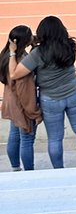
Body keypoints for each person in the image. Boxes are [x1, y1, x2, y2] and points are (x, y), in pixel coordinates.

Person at [10, 16, 76, 168]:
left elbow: (15, 74)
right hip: (75, 91)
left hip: (51, 99)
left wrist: (12, 53)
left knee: (55, 138)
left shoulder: (38, 53)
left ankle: (58, 169)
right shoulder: (69, 44)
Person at [1, 25, 41, 171]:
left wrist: (32, 44)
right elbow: (25, 92)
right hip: (21, 105)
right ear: (25, 41)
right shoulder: (23, 61)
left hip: (10, 102)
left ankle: (15, 168)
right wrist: (34, 112)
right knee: (27, 139)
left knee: (14, 135)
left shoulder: (6, 55)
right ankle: (29, 171)